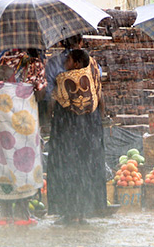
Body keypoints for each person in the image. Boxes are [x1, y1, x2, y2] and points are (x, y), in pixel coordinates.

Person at [46, 44, 107, 225]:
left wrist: (48, 119)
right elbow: (100, 97)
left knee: (67, 167)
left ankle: (70, 212)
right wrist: (100, 120)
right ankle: (82, 212)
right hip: (90, 126)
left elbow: (52, 101)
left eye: (68, 60)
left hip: (67, 128)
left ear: (76, 62)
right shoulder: (94, 71)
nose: (65, 62)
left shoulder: (64, 79)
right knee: (85, 167)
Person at [0, 50, 46, 226]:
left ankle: (4, 215)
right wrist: (31, 88)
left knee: (4, 162)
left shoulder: (2, 60)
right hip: (23, 129)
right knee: (23, 163)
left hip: (1, 131)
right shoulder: (35, 63)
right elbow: (40, 95)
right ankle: (22, 214)